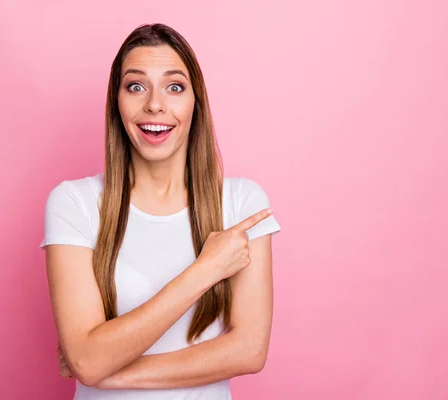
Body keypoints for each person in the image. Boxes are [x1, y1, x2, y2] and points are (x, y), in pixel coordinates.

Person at [40, 23, 281, 399]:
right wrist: (205, 270)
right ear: (116, 103)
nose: (155, 104)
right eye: (136, 86)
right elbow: (86, 360)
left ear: (195, 102)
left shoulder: (240, 203)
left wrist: (108, 373)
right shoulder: (75, 203)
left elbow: (249, 350)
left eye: (174, 87)